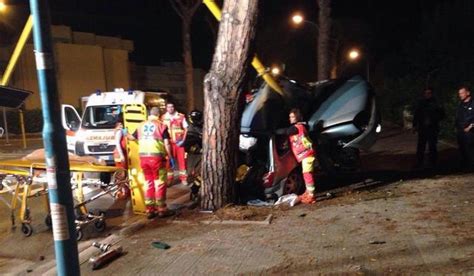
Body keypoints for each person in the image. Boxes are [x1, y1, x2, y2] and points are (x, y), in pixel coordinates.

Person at [127, 107, 174, 219]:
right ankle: (161, 209)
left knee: (148, 183)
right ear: (159, 115)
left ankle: (149, 210)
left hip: (143, 158)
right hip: (157, 158)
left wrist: (125, 132)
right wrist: (170, 156)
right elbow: (167, 143)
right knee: (160, 183)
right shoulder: (161, 126)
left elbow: (131, 137)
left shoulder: (141, 126)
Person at [277, 108, 316, 204]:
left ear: (297, 117)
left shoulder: (297, 127)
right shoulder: (301, 126)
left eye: (292, 117)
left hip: (307, 154)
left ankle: (311, 195)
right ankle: (308, 192)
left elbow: (286, 131)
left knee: (307, 174)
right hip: (305, 154)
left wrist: (273, 131)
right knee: (306, 173)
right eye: (290, 117)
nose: (290, 119)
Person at [412, 88, 445, 168]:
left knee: (432, 146)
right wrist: (414, 125)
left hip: (432, 128)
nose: (428, 95)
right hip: (423, 128)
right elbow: (416, 114)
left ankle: (433, 162)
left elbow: (442, 114)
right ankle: (419, 162)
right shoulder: (421, 103)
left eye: (429, 93)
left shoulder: (436, 103)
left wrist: (434, 119)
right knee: (421, 146)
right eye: (426, 93)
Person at [161, 102, 189, 185]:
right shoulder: (163, 118)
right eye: (168, 107)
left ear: (174, 107)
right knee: (168, 161)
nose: (170, 108)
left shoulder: (181, 116)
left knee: (182, 161)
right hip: (168, 143)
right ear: (166, 108)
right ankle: (170, 179)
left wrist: (183, 141)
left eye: (172, 107)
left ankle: (183, 179)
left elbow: (186, 129)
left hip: (179, 143)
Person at [455, 86, 474, 170]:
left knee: (470, 148)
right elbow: (458, 117)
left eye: (462, 93)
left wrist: (470, 126)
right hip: (460, 131)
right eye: (459, 93)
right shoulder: (460, 104)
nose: (460, 95)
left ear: (468, 93)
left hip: (470, 131)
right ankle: (464, 167)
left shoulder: (473, 103)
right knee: (462, 148)